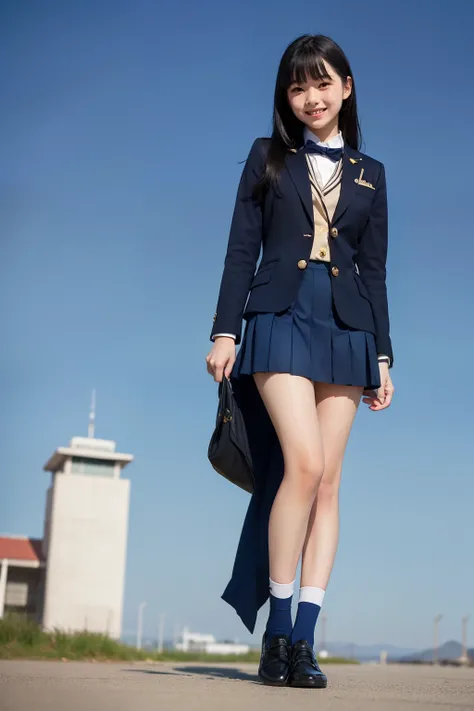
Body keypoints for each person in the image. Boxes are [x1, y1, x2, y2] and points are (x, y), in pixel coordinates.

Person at [205, 34, 394, 689]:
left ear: (346, 86)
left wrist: (385, 356)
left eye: (322, 83)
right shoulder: (268, 157)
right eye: (297, 86)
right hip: (278, 316)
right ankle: (278, 629)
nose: (311, 97)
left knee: (329, 483)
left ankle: (305, 639)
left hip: (348, 329)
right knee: (303, 464)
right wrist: (225, 331)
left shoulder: (373, 173)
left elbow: (375, 272)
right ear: (287, 97)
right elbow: (240, 251)